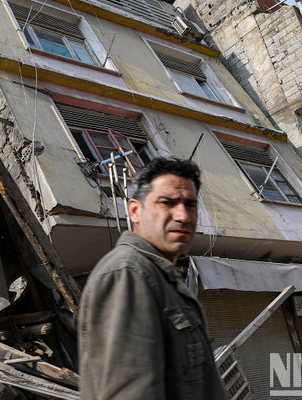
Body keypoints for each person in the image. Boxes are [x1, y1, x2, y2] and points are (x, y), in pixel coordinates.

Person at [79, 157, 227, 399]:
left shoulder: (163, 278)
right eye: (167, 203)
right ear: (135, 211)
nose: (183, 216)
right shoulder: (128, 275)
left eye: (190, 205)